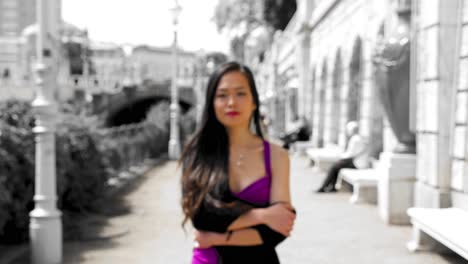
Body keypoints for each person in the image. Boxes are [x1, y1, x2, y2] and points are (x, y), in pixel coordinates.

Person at [180, 61, 296, 264]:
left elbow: (279, 229)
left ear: (253, 101)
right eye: (222, 95)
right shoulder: (197, 154)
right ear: (212, 103)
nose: (231, 102)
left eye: (241, 93)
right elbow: (202, 217)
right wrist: (262, 215)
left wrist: (218, 237)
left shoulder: (277, 156)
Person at [315, 121, 368, 193]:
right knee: (336, 166)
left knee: (334, 167)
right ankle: (331, 186)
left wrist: (340, 156)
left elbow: (350, 154)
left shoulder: (355, 139)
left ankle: (324, 187)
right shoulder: (359, 138)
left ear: (351, 130)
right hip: (357, 162)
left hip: (357, 164)